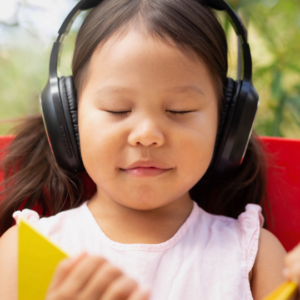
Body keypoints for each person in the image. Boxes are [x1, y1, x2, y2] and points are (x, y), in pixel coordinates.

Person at [0, 0, 299, 299]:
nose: (147, 135)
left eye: (179, 110)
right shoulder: (26, 250)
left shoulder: (254, 255)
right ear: (68, 118)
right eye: (117, 109)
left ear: (227, 125)